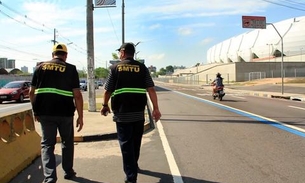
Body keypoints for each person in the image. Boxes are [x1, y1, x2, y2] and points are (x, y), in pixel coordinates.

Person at [100, 42, 161, 183]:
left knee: (126, 145)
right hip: (139, 113)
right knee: (135, 142)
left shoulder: (115, 68)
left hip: (122, 114)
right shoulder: (142, 67)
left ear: (122, 52)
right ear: (133, 53)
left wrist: (104, 105)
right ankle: (133, 166)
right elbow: (151, 89)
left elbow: (108, 90)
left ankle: (131, 177)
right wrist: (156, 109)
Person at [29, 43, 84, 183]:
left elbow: (31, 92)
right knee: (67, 142)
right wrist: (80, 116)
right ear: (65, 55)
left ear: (53, 54)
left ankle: (50, 177)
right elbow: (77, 95)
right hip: (65, 113)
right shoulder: (71, 69)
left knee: (47, 145)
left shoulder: (39, 68)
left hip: (45, 113)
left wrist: (35, 110)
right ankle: (68, 171)